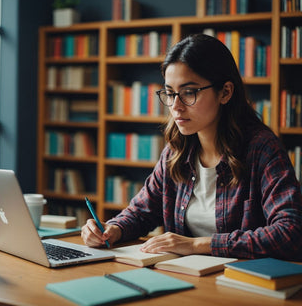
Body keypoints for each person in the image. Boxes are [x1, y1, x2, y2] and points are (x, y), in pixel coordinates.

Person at [81, 34, 302, 261]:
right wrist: (112, 229)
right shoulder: (176, 152)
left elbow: (291, 232)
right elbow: (140, 212)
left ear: (225, 92)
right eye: (169, 93)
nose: (175, 106)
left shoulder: (262, 149)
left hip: (244, 284)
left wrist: (197, 244)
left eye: (189, 92)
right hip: (187, 278)